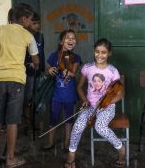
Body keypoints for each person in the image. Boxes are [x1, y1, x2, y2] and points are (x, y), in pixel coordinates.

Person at [0, 4, 39, 167]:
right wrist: (34, 64)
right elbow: (36, 60)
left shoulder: (0, 29)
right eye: (29, 20)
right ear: (24, 19)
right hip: (17, 81)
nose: (30, 22)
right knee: (12, 121)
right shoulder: (28, 36)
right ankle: (11, 158)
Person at [64, 38, 125, 168]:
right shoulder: (87, 67)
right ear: (94, 51)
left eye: (104, 52)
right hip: (90, 107)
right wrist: (85, 100)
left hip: (107, 108)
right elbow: (79, 87)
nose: (100, 55)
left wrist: (106, 102)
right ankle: (71, 157)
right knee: (78, 126)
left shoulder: (113, 72)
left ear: (109, 53)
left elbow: (120, 95)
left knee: (100, 127)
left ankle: (120, 148)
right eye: (97, 51)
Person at [42, 29, 81, 151]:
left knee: (69, 119)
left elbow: (73, 73)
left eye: (73, 38)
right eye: (67, 37)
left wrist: (66, 71)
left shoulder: (76, 57)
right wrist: (48, 70)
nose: (71, 39)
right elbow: (46, 70)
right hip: (56, 95)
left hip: (70, 95)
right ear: (61, 42)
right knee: (53, 118)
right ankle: (50, 142)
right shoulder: (54, 56)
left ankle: (66, 142)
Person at [23, 12, 45, 123]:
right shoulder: (24, 36)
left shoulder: (40, 36)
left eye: (39, 23)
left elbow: (42, 54)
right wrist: (28, 63)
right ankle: (27, 123)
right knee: (28, 98)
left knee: (37, 98)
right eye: (34, 23)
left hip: (38, 72)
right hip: (28, 73)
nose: (37, 25)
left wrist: (42, 69)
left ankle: (34, 122)